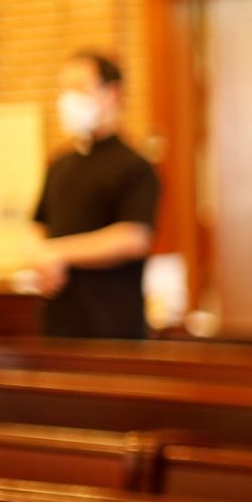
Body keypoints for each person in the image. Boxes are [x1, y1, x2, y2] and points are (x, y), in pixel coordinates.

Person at [26, 51, 160, 339]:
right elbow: (38, 223)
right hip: (59, 319)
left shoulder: (134, 166)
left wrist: (58, 251)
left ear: (112, 93)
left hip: (112, 323)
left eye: (79, 88)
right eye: (64, 89)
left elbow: (133, 237)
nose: (68, 99)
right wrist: (39, 255)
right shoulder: (60, 164)